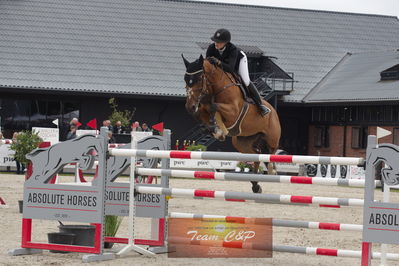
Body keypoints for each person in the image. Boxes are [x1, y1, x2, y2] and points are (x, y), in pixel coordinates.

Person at [206, 28, 270, 116]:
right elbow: (207, 63)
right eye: (215, 41)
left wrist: (218, 62)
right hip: (223, 66)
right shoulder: (211, 47)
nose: (216, 43)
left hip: (239, 61)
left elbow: (230, 68)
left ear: (226, 43)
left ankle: (260, 105)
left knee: (246, 80)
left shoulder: (233, 50)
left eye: (219, 42)